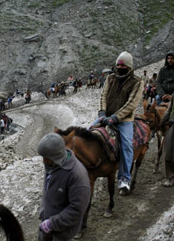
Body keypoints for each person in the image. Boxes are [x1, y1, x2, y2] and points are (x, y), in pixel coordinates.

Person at [95, 51, 144, 192]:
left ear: (129, 67)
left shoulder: (137, 82)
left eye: (122, 67)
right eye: (118, 66)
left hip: (124, 120)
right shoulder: (110, 78)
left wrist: (116, 117)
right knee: (87, 132)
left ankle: (124, 179)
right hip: (106, 115)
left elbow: (131, 104)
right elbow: (103, 95)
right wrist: (102, 112)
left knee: (127, 145)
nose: (119, 69)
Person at [37, 133, 91, 241]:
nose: (44, 161)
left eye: (46, 158)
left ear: (56, 156)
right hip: (47, 226)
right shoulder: (52, 165)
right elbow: (47, 189)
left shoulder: (77, 176)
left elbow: (77, 209)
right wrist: (43, 210)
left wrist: (52, 224)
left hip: (62, 233)